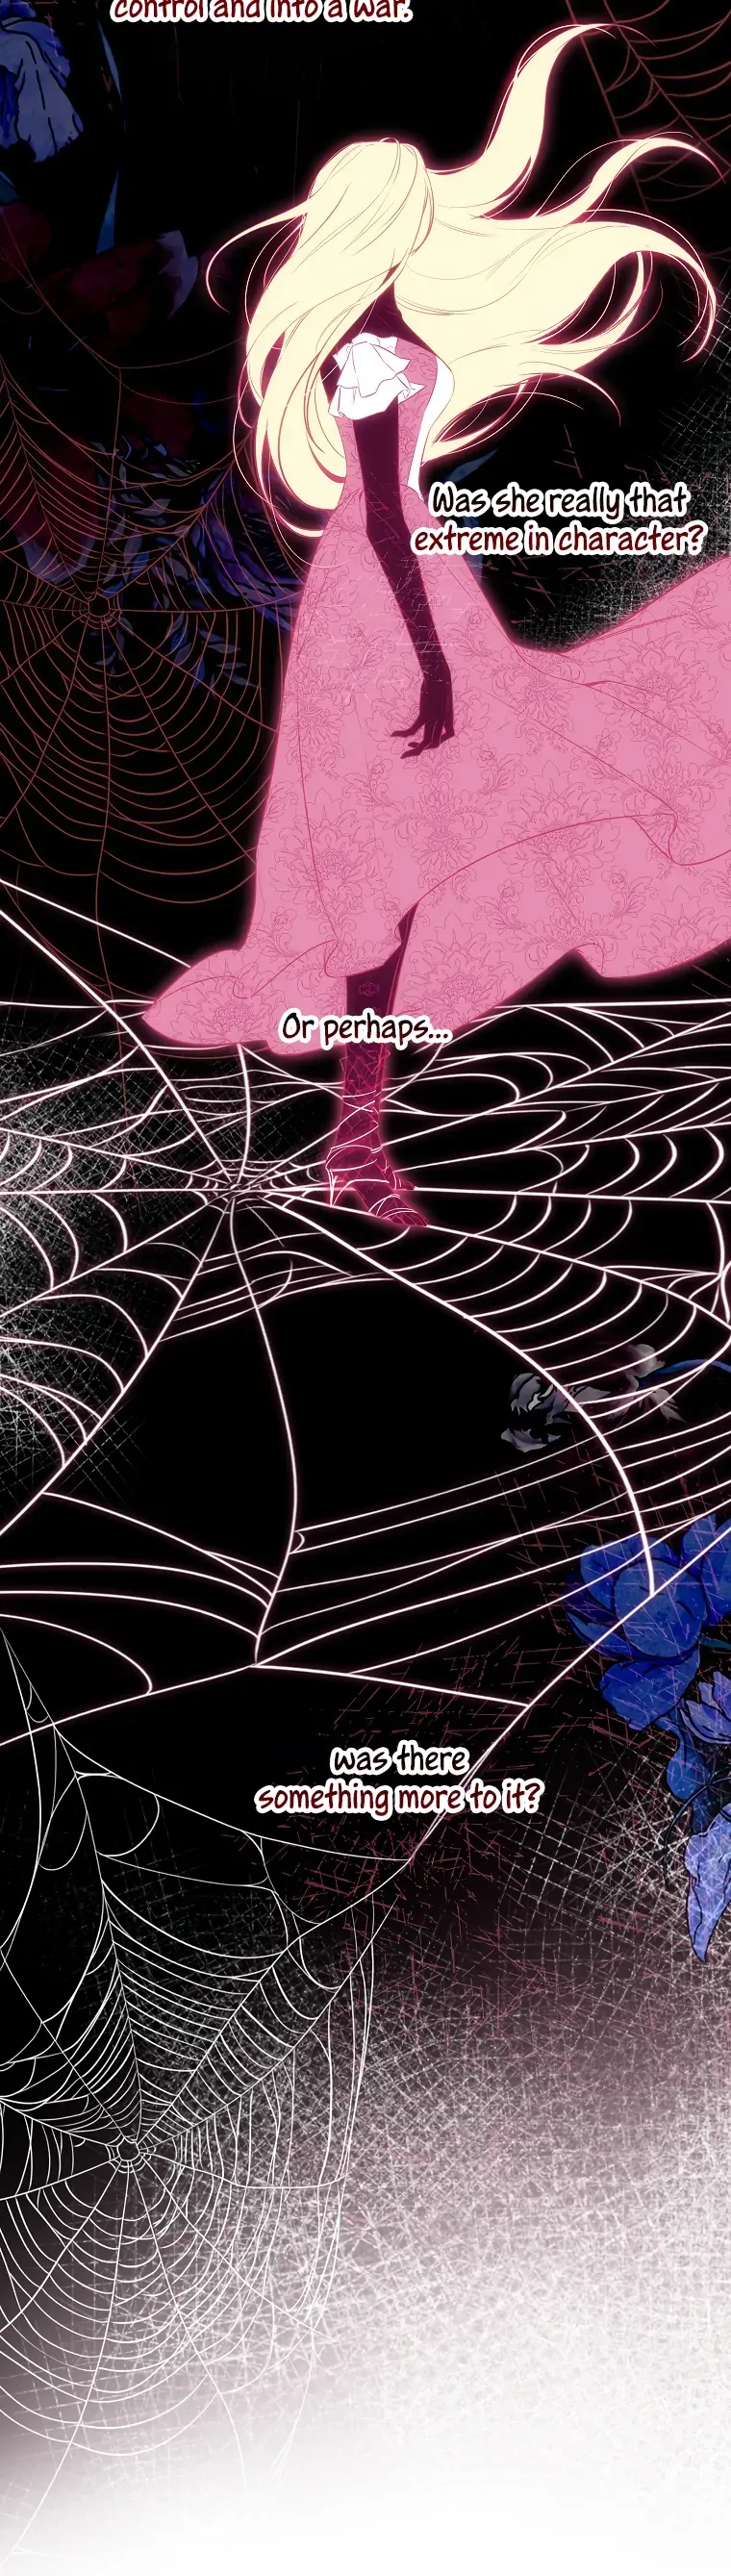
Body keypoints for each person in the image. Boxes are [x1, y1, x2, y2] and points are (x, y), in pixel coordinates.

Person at [144, 24, 730, 1230]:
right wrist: (427, 658)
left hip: (395, 588)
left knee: (401, 854)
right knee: (386, 860)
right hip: (391, 597)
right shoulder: (373, 348)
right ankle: (356, 1142)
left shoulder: (381, 336)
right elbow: (377, 503)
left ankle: (358, 1139)